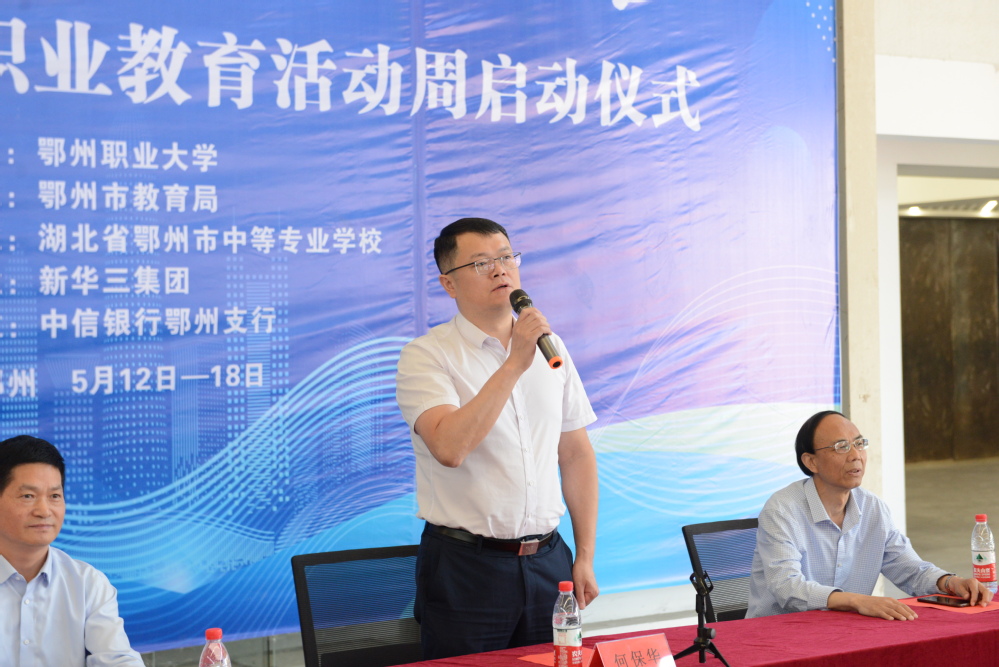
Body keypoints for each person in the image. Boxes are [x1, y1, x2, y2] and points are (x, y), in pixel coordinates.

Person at [395, 217, 599, 658]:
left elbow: (576, 454)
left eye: (507, 257)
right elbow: (449, 448)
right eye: (481, 262)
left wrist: (584, 555)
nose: (500, 269)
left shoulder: (551, 347)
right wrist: (514, 363)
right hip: (465, 569)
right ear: (449, 283)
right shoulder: (426, 356)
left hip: (550, 562)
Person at [748, 410, 993, 619]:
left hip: (846, 631)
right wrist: (856, 601)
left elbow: (909, 568)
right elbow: (787, 587)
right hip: (779, 634)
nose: (856, 455)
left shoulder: (873, 508)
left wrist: (950, 583)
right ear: (811, 462)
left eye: (859, 444)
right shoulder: (782, 510)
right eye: (841, 447)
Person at [0, 434, 144, 666]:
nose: (44, 511)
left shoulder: (88, 584)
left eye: (54, 496)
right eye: (28, 496)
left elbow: (116, 659)